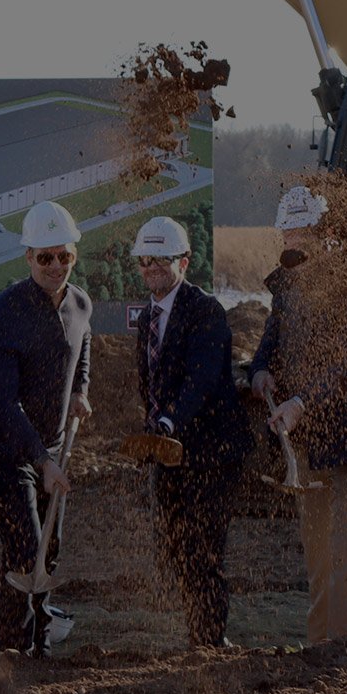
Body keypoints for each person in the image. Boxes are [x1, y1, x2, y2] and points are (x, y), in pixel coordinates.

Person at [247, 186, 347, 643]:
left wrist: (302, 403)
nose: (294, 239)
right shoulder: (288, 284)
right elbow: (271, 341)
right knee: (318, 550)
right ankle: (320, 649)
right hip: (314, 434)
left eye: (305, 230)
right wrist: (260, 372)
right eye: (288, 230)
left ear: (329, 231)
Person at [0, 200, 93, 655]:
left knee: (50, 547)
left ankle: (41, 642)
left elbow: (85, 343)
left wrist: (80, 389)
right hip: (6, 449)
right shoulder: (1, 316)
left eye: (65, 256)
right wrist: (40, 460)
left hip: (53, 445)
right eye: (45, 257)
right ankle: (12, 649)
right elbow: (3, 405)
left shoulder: (80, 302)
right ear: (28, 258)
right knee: (25, 547)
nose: (56, 266)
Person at [130, 216, 252, 648]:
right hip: (171, 453)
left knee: (204, 549)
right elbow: (150, 384)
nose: (152, 267)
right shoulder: (147, 318)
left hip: (212, 452)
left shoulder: (205, 311)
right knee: (177, 547)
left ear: (184, 262)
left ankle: (211, 640)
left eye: (162, 259)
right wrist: (153, 425)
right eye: (145, 259)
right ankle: (196, 632)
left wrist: (168, 422)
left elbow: (198, 381)